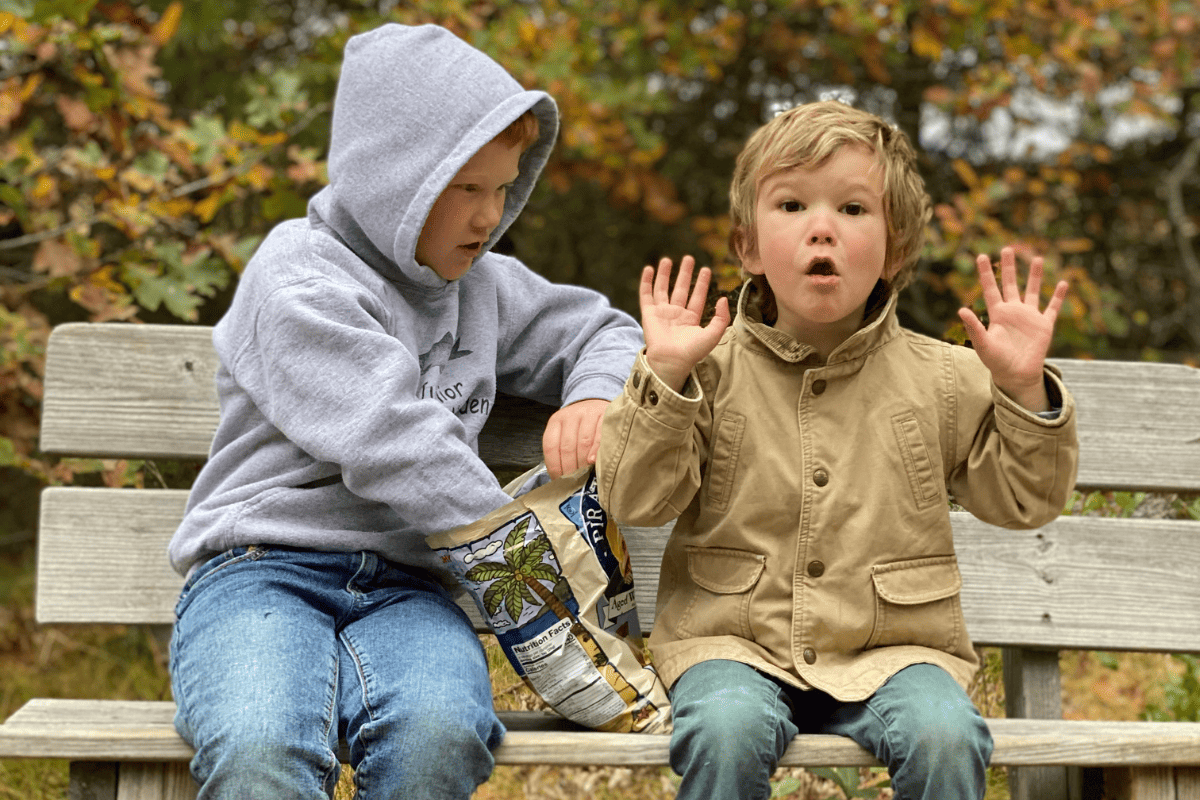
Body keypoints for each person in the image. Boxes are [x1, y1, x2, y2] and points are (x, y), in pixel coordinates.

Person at [167, 23, 642, 800]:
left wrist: (593, 392)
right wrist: (517, 571)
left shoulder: (481, 285)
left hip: (411, 589)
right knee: (263, 746)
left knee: (441, 736)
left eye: (504, 187)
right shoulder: (298, 278)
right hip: (262, 573)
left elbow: (604, 329)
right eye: (466, 190)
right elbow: (390, 436)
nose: (491, 216)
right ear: (396, 176)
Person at [595, 100, 1079, 800]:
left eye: (853, 210)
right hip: (731, 643)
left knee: (946, 738)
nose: (822, 227)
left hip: (897, 650)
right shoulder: (705, 370)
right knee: (723, 730)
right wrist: (665, 379)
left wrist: (1024, 390)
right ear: (748, 247)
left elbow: (1025, 500)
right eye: (791, 205)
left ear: (897, 247)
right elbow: (636, 499)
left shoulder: (944, 379)